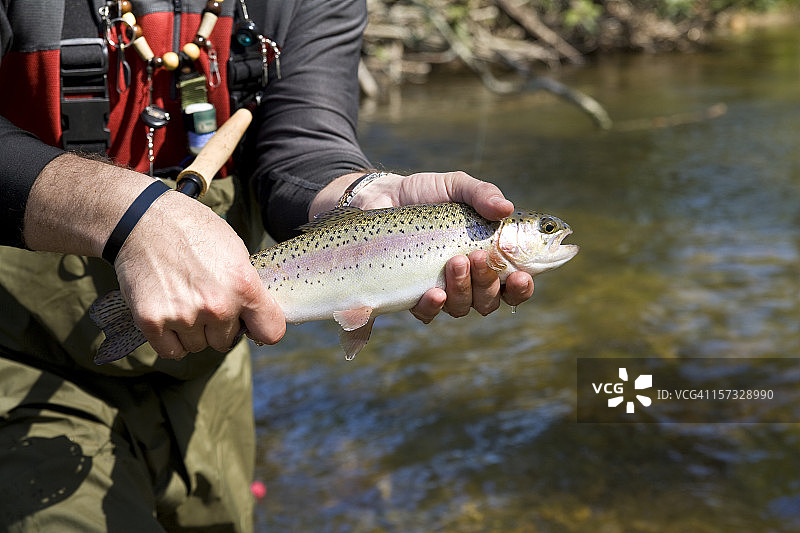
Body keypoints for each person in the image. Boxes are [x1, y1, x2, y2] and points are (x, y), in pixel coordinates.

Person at [0, 0, 534, 531]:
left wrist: (362, 193)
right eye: (547, 230)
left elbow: (302, 143)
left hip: (213, 358)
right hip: (24, 354)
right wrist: (126, 214)